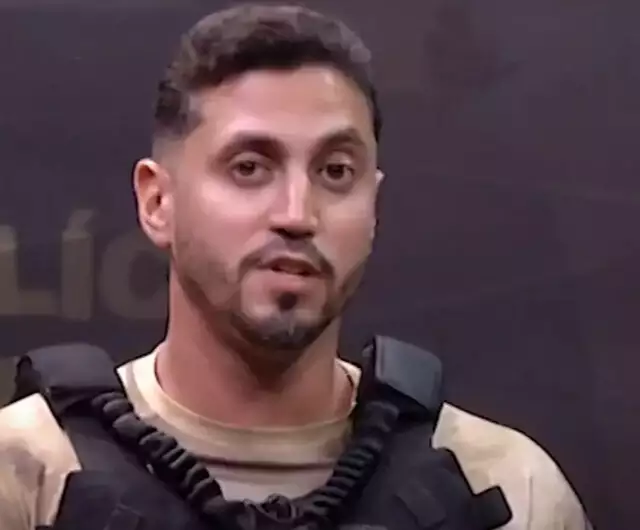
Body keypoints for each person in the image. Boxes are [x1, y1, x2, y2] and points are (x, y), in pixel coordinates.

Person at [0, 4, 592, 530]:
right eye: (249, 168)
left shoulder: (505, 489)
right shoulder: (25, 474)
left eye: (335, 172)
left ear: (373, 205)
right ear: (158, 202)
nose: (296, 214)